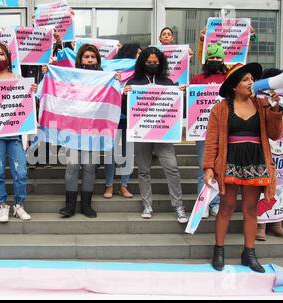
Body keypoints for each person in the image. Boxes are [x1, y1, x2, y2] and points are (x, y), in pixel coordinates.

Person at [203, 63, 283, 273]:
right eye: (246, 80)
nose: (251, 83)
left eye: (252, 79)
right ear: (234, 86)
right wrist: (209, 167)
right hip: (230, 161)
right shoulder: (220, 108)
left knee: (250, 209)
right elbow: (211, 141)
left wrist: (275, 109)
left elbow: (275, 134)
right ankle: (218, 250)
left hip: (255, 162)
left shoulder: (263, 104)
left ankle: (249, 253)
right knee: (226, 207)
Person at [122, 47, 188, 223]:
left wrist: (180, 95)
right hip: (142, 133)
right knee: (143, 170)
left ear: (161, 63)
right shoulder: (133, 82)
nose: (152, 65)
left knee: (172, 168)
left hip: (163, 133)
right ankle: (147, 204)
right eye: (149, 62)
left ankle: (178, 205)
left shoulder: (168, 83)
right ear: (142, 62)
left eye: (155, 62)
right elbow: (125, 111)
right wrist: (124, 95)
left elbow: (178, 111)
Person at [58, 44, 120, 218]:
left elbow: (113, 96)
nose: (90, 59)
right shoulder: (72, 76)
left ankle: (86, 205)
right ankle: (69, 205)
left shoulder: (105, 77)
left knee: (90, 166)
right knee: (72, 166)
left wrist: (117, 81)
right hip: (72, 128)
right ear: (80, 58)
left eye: (93, 57)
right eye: (86, 56)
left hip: (93, 129)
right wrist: (47, 72)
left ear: (98, 59)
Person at [0, 41, 36, 223]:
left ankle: (19, 206)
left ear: (8, 56)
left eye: (1, 54)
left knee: (20, 172)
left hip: (15, 134)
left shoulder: (18, 78)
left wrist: (31, 92)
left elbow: (26, 106)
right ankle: (2, 205)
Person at [190, 42, 228, 218]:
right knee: (203, 167)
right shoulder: (197, 79)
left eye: (218, 57)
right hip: (202, 131)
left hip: (224, 130)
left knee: (220, 168)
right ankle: (203, 203)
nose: (214, 60)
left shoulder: (229, 78)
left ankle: (216, 203)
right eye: (211, 57)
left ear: (223, 60)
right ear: (206, 59)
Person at [255, 68, 283, 241]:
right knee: (263, 188)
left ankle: (277, 224)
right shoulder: (258, 99)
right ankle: (260, 225)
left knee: (281, 187)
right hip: (264, 148)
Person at [103, 43, 141, 199]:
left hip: (130, 118)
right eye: (138, 53)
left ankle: (124, 186)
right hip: (111, 117)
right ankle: (109, 185)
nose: (140, 57)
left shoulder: (139, 73)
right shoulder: (110, 70)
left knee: (128, 152)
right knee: (110, 152)